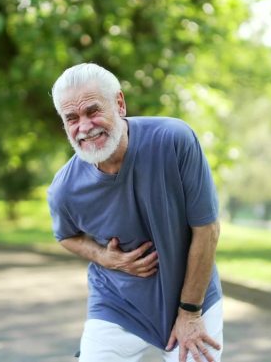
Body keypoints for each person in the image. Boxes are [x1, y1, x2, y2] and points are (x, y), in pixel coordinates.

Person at [47, 63, 223, 362]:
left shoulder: (174, 140)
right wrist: (104, 257)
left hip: (193, 299)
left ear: (119, 103)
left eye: (93, 111)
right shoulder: (64, 189)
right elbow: (66, 235)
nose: (85, 127)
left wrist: (190, 312)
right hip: (117, 305)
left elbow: (207, 230)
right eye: (72, 118)